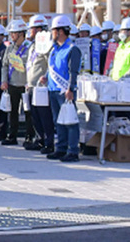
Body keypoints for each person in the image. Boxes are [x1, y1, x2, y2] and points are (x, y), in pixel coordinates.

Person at [46, 15, 82, 162]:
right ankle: (60, 148)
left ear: (60, 31)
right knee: (58, 121)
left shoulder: (72, 49)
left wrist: (70, 89)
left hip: (65, 91)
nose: (52, 34)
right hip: (53, 89)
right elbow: (53, 68)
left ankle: (73, 151)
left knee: (70, 121)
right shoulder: (54, 49)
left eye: (53, 31)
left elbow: (73, 71)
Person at [25, 15, 55, 153]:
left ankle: (49, 142)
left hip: (41, 87)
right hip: (31, 86)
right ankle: (40, 139)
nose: (30, 32)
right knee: (35, 115)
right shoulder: (33, 46)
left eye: (32, 29)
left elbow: (51, 64)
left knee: (44, 115)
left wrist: (46, 77)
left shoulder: (46, 45)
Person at [0, 20, 30, 146]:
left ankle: (30, 136)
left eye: (14, 33)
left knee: (28, 112)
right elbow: (5, 66)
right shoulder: (10, 48)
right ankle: (12, 136)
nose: (12, 36)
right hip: (12, 84)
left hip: (25, 85)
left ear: (21, 33)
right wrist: (4, 81)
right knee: (12, 112)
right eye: (11, 33)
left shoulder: (29, 48)